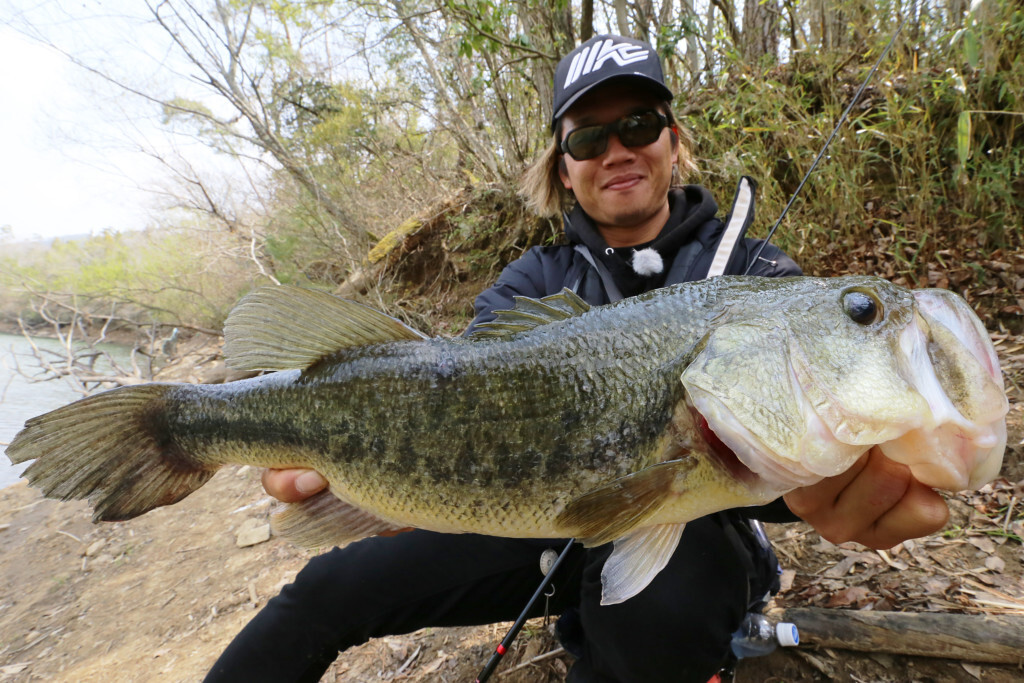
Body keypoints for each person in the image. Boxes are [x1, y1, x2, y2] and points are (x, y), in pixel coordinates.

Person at [206, 34, 949, 682]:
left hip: (688, 520)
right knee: (325, 590)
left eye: (638, 123)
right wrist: (382, 479)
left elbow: (795, 453)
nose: (617, 149)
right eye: (588, 138)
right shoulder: (528, 283)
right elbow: (455, 397)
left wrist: (844, 478)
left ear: (672, 139)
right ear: (563, 166)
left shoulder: (758, 279)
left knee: (653, 618)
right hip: (532, 516)